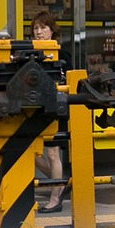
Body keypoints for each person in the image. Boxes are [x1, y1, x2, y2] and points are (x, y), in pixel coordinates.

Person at [32, 11, 70, 214]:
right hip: (37, 110)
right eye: (36, 29)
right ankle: (60, 182)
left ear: (52, 31)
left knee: (53, 153)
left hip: (57, 109)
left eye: (43, 28)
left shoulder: (62, 55)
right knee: (30, 152)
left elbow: (72, 82)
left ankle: (55, 198)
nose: (39, 32)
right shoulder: (31, 54)